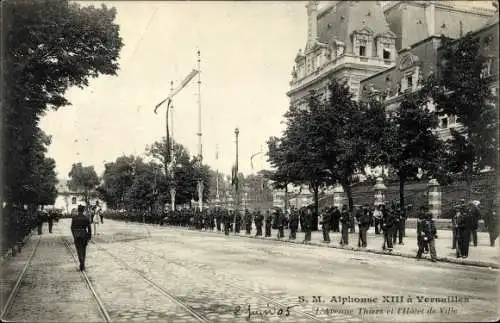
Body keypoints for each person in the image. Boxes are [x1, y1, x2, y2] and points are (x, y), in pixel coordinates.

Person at [71, 205, 92, 271]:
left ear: (78, 210)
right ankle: (83, 264)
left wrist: (74, 235)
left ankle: (81, 263)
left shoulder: (74, 218)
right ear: (83, 210)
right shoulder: (86, 218)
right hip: (84, 235)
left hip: (77, 235)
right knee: (83, 250)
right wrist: (89, 237)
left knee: (78, 250)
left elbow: (72, 227)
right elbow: (89, 229)